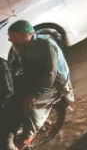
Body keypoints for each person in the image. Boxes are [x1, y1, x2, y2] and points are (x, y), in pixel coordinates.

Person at [6, 20, 74, 150]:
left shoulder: (46, 45)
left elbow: (50, 73)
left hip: (55, 82)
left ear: (25, 35)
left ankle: (28, 135)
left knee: (29, 105)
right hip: (36, 76)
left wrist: (34, 95)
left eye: (13, 36)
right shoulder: (19, 46)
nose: (9, 40)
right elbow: (15, 66)